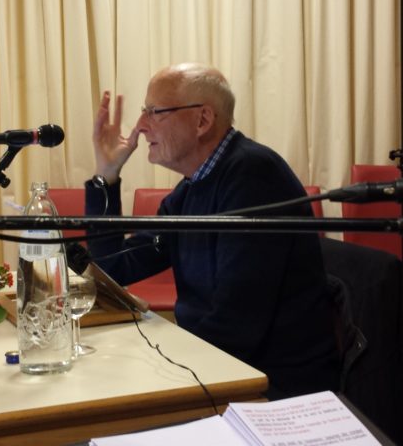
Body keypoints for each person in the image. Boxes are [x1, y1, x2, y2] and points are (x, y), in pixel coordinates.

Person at [84, 64, 339, 399]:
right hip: (221, 366)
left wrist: (160, 370)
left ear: (202, 120)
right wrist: (106, 176)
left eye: (155, 112)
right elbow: (116, 266)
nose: (141, 126)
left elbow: (235, 326)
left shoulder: (254, 178)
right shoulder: (193, 187)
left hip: (272, 385)